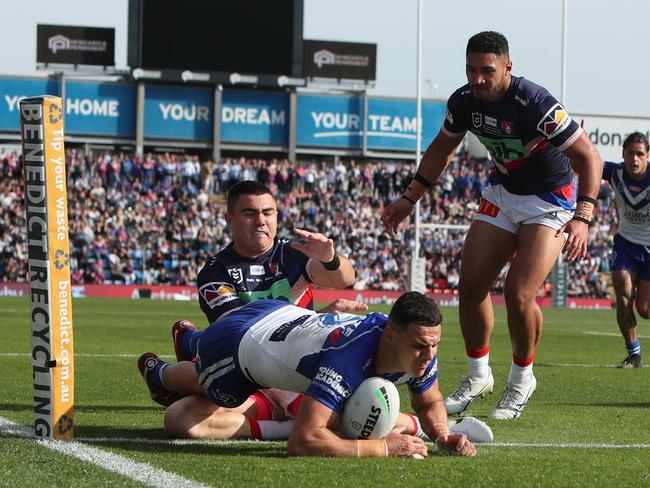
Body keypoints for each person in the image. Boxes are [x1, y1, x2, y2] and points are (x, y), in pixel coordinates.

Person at [381, 31, 603, 419]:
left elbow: (590, 158)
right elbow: (442, 148)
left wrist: (583, 217)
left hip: (550, 199)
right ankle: (478, 374)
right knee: (470, 287)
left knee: (518, 295)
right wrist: (408, 198)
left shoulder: (536, 103)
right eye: (471, 70)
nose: (478, 79)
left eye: (487, 70)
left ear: (508, 67)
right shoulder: (463, 101)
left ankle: (521, 380)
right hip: (504, 192)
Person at [140, 292, 477, 458]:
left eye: (434, 345)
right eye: (421, 346)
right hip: (237, 343)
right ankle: (162, 373)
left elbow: (429, 399)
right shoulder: (347, 361)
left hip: (282, 316)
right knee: (211, 388)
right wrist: (382, 448)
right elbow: (302, 441)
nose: (429, 355)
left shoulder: (414, 348)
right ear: (390, 334)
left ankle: (189, 340)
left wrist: (441, 434)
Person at [141, 180, 361, 411]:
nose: (261, 221)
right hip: (242, 350)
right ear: (230, 219)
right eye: (249, 213)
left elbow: (344, 279)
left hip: (292, 351)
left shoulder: (293, 253)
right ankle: (158, 373)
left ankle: (191, 341)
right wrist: (317, 318)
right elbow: (244, 330)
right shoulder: (216, 270)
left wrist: (330, 259)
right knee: (218, 388)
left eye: (268, 212)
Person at [602, 132, 650, 368]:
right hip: (626, 243)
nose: (634, 158)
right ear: (623, 154)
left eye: (640, 153)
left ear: (647, 156)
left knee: (645, 310)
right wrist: (570, 140)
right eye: (630, 153)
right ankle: (634, 355)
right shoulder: (614, 173)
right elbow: (584, 161)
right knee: (622, 297)